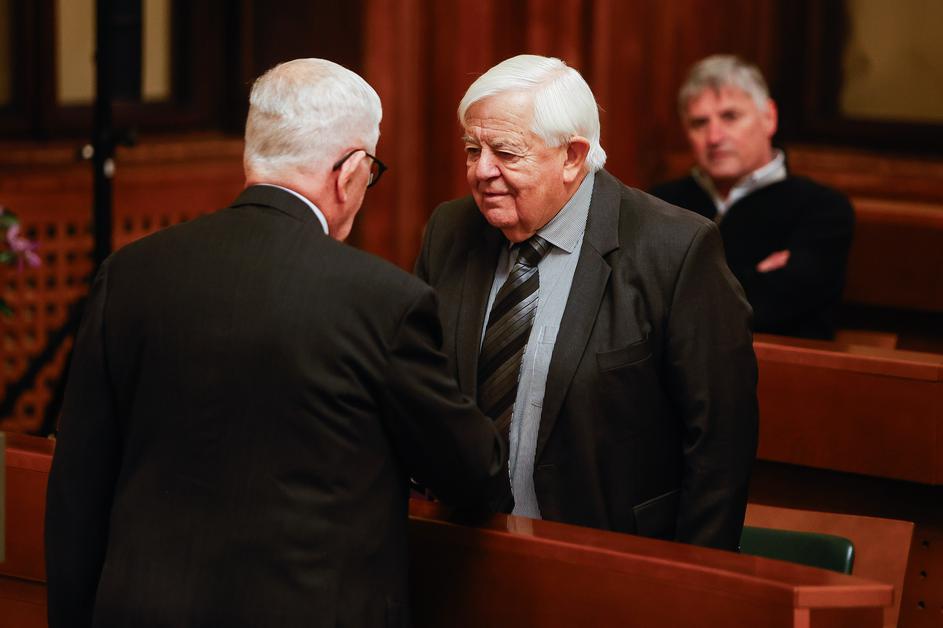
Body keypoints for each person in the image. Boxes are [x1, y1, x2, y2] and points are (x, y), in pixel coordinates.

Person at [45, 58, 505, 628]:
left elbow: (77, 487)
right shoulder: (382, 302)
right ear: (349, 171)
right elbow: (473, 472)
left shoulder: (129, 274)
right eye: (371, 172)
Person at [415, 54, 758, 551]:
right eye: (472, 149)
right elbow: (420, 384)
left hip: (613, 555)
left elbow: (720, 442)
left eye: (506, 153)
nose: (481, 171)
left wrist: (694, 580)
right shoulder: (450, 230)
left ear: (573, 156)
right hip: (462, 546)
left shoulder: (674, 249)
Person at [651, 54, 855, 339]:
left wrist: (678, 285)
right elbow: (635, 302)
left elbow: (775, 307)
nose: (714, 137)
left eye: (730, 117)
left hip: (782, 363)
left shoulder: (823, 209)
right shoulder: (659, 204)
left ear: (769, 118)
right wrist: (752, 278)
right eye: (699, 123)